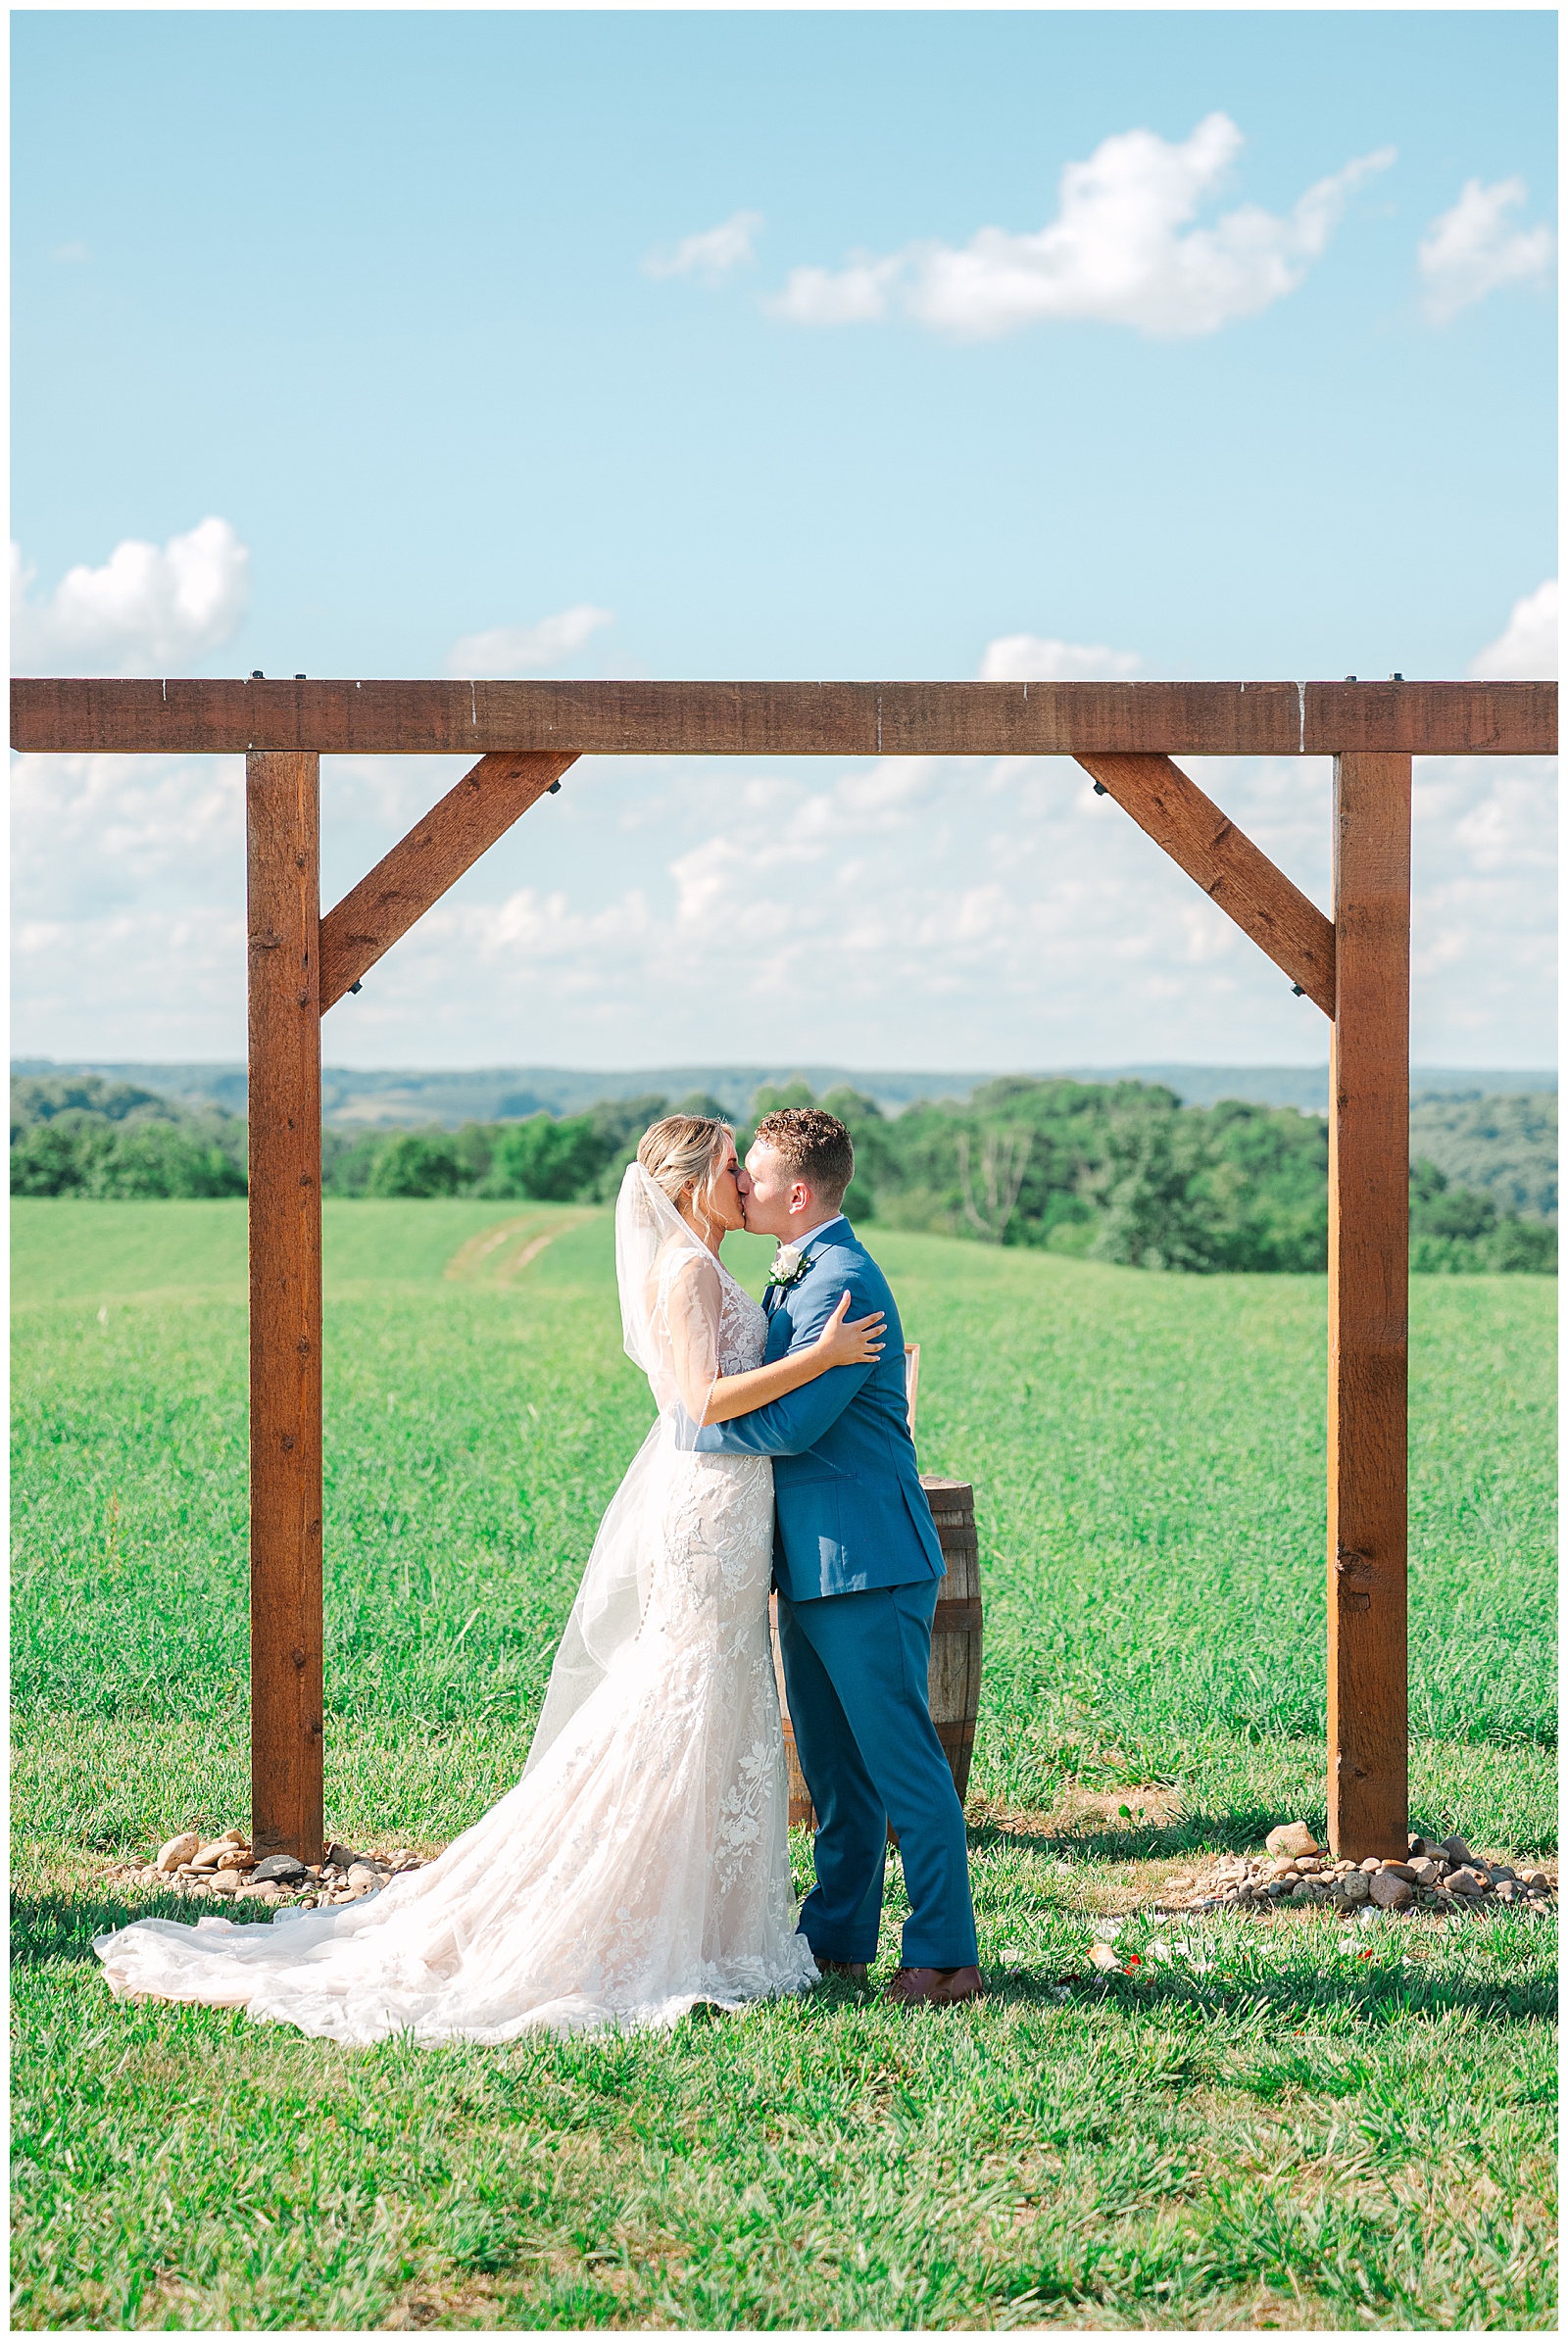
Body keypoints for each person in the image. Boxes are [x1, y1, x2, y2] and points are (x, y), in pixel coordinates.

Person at [93, 1115, 886, 2044]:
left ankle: (709, 1919)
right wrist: (818, 1360)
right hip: (704, 1505)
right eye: (726, 1167)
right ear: (687, 1187)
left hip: (736, 1506)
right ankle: (615, 1905)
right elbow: (697, 1402)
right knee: (682, 1689)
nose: (741, 1182)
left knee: (720, 1691)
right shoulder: (681, 1272)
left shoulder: (712, 1268)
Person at [693, 1106, 980, 2006]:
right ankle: (838, 1935)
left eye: (757, 1176)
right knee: (832, 1770)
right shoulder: (797, 1273)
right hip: (812, 1565)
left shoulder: (841, 1280)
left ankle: (944, 1955)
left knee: (901, 1765)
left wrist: (690, 1418)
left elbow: (793, 1421)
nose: (744, 1187)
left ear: (799, 1192)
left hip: (867, 1561)